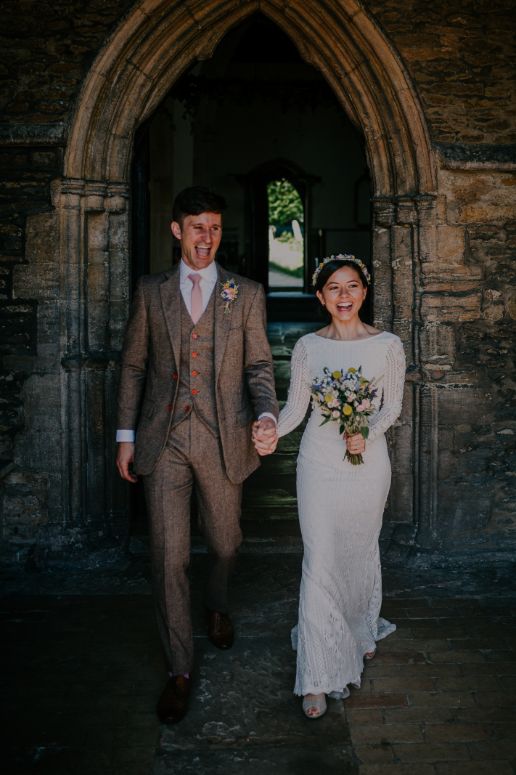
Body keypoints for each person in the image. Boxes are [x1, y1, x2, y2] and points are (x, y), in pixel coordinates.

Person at [116, 186, 278, 724]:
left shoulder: (245, 292)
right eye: (197, 227)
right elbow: (135, 365)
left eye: (214, 227)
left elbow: (258, 366)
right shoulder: (150, 290)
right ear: (176, 230)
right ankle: (179, 669)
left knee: (227, 542)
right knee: (167, 557)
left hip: (223, 435)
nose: (207, 238)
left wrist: (267, 415)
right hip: (163, 440)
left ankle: (217, 603)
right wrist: (126, 435)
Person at [254, 254, 405, 719]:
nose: (344, 296)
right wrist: (269, 431)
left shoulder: (388, 345)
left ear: (364, 292)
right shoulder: (307, 348)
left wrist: (368, 433)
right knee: (319, 559)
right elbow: (297, 409)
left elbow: (392, 407)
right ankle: (316, 676)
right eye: (333, 288)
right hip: (318, 464)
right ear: (320, 297)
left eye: (352, 286)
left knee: (358, 551)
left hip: (367, 466)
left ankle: (358, 629)